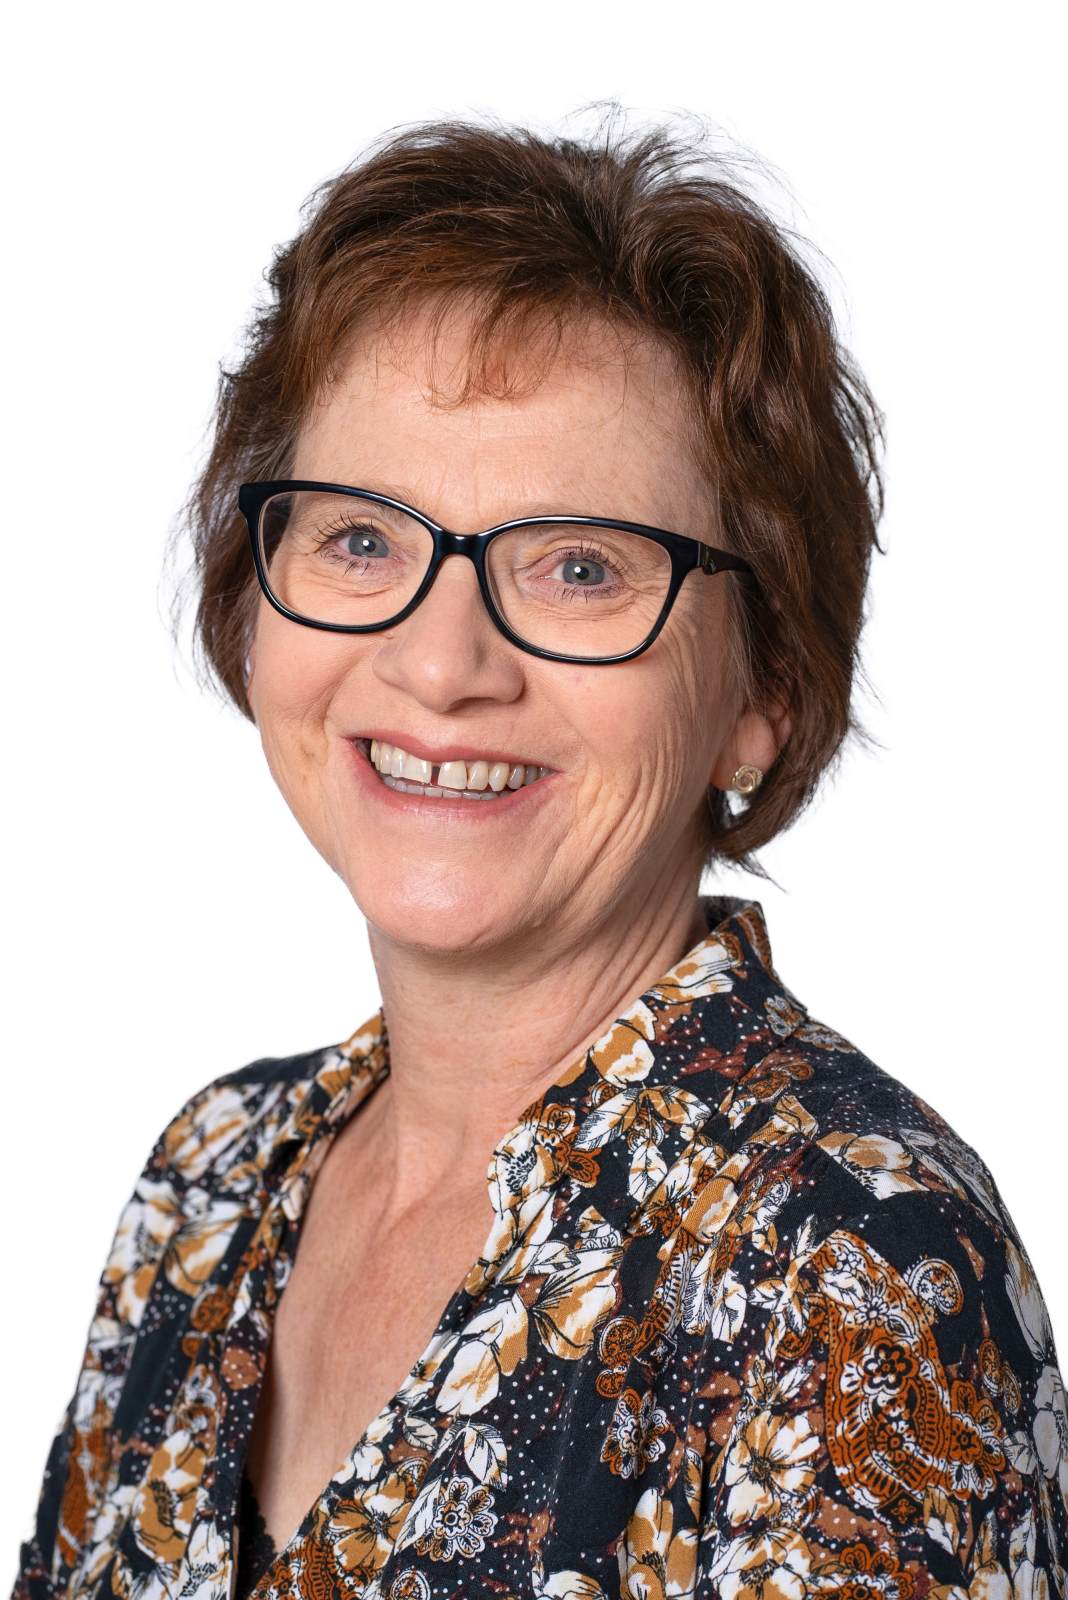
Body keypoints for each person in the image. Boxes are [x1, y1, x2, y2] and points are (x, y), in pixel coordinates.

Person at [12, 111, 1067, 1600]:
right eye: (362, 540)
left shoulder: (857, 1266)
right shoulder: (210, 1184)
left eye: (579, 567)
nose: (442, 665)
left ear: (763, 687)